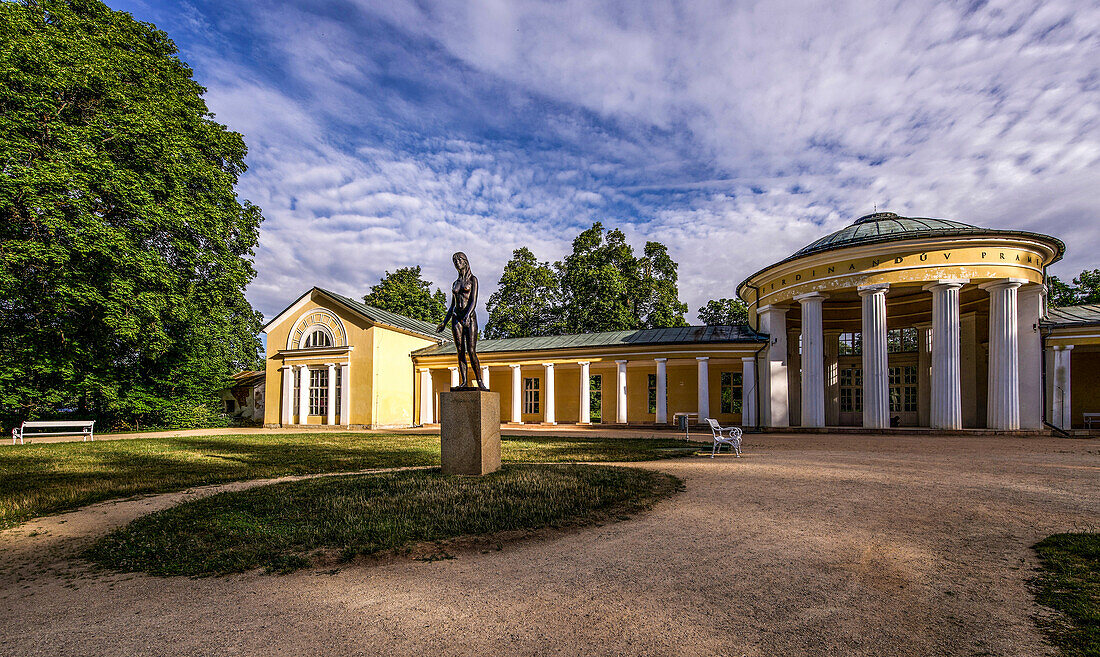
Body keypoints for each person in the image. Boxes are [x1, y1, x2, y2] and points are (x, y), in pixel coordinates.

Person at [437, 252, 488, 390]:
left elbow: (473, 301)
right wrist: (444, 322)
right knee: (460, 351)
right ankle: (464, 381)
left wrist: (467, 316)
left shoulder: (473, 280)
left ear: (465, 261)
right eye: (454, 261)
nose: (456, 263)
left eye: (458, 260)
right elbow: (452, 305)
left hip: (470, 318)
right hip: (456, 318)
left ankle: (479, 381)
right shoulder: (455, 283)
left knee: (471, 351)